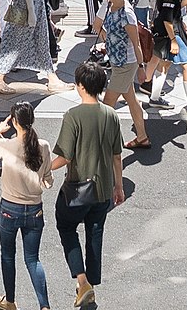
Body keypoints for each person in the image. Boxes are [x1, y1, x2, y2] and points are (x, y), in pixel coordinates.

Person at [50, 63, 126, 303]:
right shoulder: (111, 115)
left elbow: (65, 157)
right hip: (103, 190)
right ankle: (91, 285)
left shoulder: (73, 116)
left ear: (81, 86)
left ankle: (82, 282)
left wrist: (43, 167)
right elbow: (117, 156)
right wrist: (119, 186)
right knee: (95, 233)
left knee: (66, 227)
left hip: (77, 189)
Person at [0, 106, 55, 310]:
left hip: (8, 209)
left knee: (7, 255)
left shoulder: (6, 145)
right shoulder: (44, 146)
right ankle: (44, 306)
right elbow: (48, 179)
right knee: (33, 259)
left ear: (13, 121)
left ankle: (10, 301)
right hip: (34, 210)